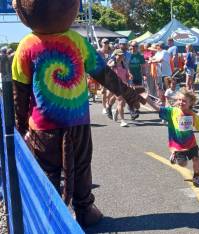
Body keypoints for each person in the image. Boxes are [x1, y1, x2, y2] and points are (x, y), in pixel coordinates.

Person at [12, 0, 145, 227]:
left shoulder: (26, 45)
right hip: (77, 121)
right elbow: (103, 73)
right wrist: (128, 95)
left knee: (49, 172)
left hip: (43, 127)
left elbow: (19, 93)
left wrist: (19, 127)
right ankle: (84, 210)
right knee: (81, 167)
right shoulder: (77, 42)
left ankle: (50, 215)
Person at [147, 87, 199, 186]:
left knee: (196, 159)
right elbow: (158, 109)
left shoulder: (192, 115)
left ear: (190, 103)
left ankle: (196, 177)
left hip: (191, 143)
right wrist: (147, 99)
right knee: (183, 164)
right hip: (178, 145)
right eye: (179, 100)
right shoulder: (172, 111)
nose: (181, 102)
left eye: (184, 101)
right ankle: (175, 155)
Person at [107, 49, 130, 127]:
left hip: (124, 85)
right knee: (120, 101)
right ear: (115, 55)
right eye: (119, 55)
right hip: (115, 85)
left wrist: (129, 76)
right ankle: (122, 120)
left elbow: (127, 74)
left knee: (123, 103)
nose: (121, 56)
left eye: (122, 55)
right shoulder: (112, 63)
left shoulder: (124, 64)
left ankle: (115, 111)